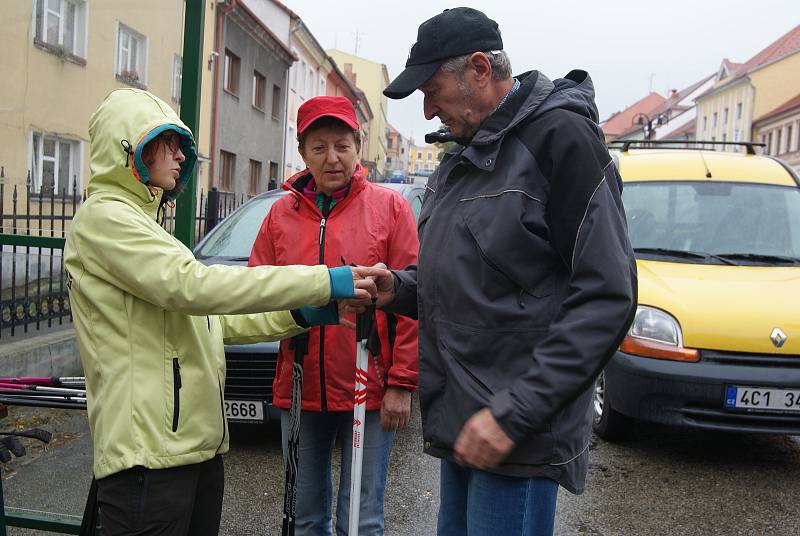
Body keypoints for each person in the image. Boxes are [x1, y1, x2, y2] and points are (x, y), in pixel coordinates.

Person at [64, 88, 385, 536]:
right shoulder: (106, 220)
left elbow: (211, 320)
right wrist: (324, 279)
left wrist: (303, 315)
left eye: (181, 147)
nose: (180, 157)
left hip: (190, 449)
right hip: (149, 457)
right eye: (168, 144)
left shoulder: (144, 226)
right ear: (131, 149)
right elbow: (195, 288)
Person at [368, 7, 638, 535]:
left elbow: (609, 295)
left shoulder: (561, 140)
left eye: (431, 89)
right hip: (470, 423)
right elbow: (474, 282)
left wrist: (515, 412)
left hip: (516, 433)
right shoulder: (461, 156)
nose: (426, 112)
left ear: (478, 69)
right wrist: (397, 289)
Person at [248, 95, 419, 536]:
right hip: (300, 385)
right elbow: (256, 291)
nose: (332, 158)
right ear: (302, 153)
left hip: (369, 385)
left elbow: (413, 302)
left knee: (360, 521)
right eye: (319, 147)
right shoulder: (279, 217)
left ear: (358, 147)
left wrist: (402, 382)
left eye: (342, 145)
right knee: (305, 517)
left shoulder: (390, 208)